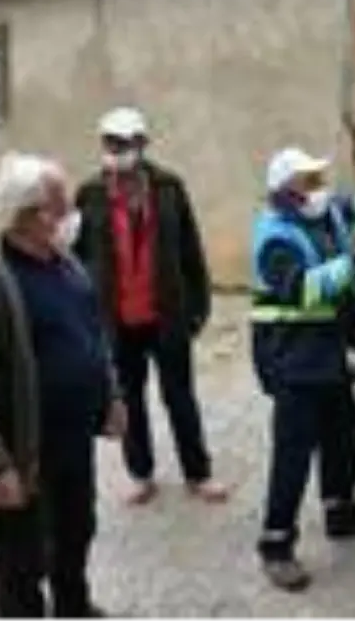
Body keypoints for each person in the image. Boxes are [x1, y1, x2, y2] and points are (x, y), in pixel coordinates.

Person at [0, 153, 127, 621]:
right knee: (23, 560)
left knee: (77, 532)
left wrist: (112, 395)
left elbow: (93, 338)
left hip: (74, 442)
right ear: (30, 215)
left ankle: (73, 609)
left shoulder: (68, 266)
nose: (71, 217)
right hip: (27, 451)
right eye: (61, 206)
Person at [250, 146, 355, 592]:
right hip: (291, 355)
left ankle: (341, 511)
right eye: (308, 180)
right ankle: (276, 546)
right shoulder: (274, 235)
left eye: (318, 177)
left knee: (345, 435)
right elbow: (303, 290)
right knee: (293, 452)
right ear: (285, 192)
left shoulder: (326, 212)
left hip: (328, 350)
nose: (319, 187)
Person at [72, 107, 227, 505]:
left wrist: (198, 308)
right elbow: (75, 257)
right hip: (117, 319)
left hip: (166, 314)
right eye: (109, 143)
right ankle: (140, 473)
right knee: (129, 397)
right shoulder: (89, 194)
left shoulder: (169, 188)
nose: (115, 150)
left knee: (180, 395)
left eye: (123, 143)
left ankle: (199, 473)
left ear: (141, 145)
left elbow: (191, 250)